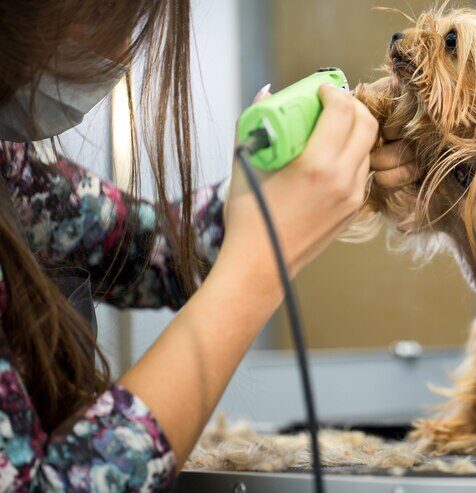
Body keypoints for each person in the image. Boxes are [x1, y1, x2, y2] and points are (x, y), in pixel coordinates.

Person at [0, 1, 415, 490]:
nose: (123, 46)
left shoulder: (14, 175)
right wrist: (257, 270)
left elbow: (152, 251)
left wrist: (287, 186)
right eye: (117, 16)